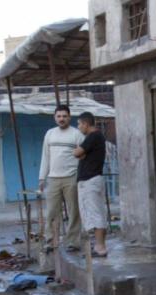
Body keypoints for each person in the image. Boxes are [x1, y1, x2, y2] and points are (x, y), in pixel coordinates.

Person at [37, 105, 83, 252]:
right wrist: (42, 177)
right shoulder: (50, 134)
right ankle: (50, 241)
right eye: (59, 116)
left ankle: (73, 242)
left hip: (71, 177)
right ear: (54, 117)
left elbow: (83, 156)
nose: (61, 119)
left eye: (64, 116)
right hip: (52, 179)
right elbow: (45, 156)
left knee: (73, 211)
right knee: (51, 211)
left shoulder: (77, 134)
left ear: (69, 117)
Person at [74, 112, 109, 258]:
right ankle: (99, 246)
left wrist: (79, 151)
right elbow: (81, 154)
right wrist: (81, 153)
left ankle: (100, 247)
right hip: (93, 179)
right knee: (96, 212)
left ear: (86, 124)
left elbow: (77, 153)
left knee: (95, 213)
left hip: (90, 180)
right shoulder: (96, 137)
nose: (79, 127)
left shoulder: (93, 136)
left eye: (79, 124)